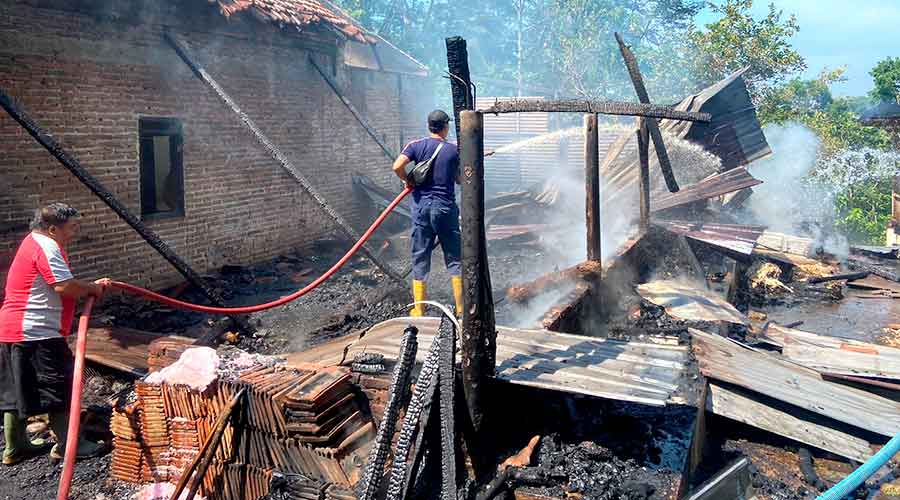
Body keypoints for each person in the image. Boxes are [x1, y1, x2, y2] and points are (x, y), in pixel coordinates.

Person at [0, 203, 110, 465]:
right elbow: (64, 287)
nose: (74, 233)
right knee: (61, 385)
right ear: (52, 229)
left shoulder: (32, 242)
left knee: (17, 389)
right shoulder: (46, 246)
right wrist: (92, 288)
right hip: (36, 331)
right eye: (72, 227)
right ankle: (68, 445)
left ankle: (15, 448)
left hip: (13, 329)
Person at [392, 110, 463, 316]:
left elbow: (397, 166)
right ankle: (461, 309)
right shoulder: (454, 150)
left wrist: (407, 179)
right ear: (445, 126)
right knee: (454, 258)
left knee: (420, 256)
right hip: (445, 209)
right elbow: (459, 179)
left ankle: (419, 309)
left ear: (429, 126)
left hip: (421, 209)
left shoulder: (415, 145)